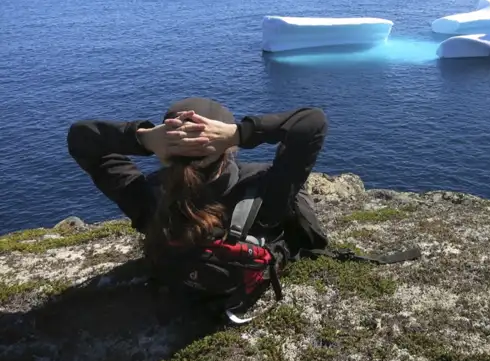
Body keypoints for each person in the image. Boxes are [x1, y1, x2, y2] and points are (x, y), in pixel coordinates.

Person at [67, 97, 329, 260]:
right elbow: (312, 122)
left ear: (164, 153)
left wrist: (142, 138)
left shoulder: (146, 198)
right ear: (228, 149)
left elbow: (80, 139)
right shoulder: (263, 191)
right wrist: (241, 132)